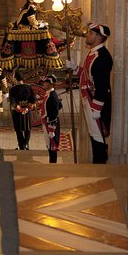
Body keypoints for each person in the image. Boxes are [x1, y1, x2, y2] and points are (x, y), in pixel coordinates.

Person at [68, 22, 113, 164]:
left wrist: (97, 107)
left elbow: (102, 85)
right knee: (93, 134)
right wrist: (75, 68)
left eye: (90, 33)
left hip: (95, 101)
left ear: (99, 37)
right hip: (89, 98)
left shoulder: (103, 57)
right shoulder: (93, 53)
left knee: (98, 136)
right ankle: (97, 163)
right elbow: (88, 75)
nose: (87, 35)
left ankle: (99, 165)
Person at [8, 71, 36, 150]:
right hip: (27, 111)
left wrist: (20, 108)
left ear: (15, 79)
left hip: (17, 112)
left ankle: (21, 145)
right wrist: (27, 108)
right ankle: (26, 143)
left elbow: (13, 102)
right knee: (28, 128)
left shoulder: (13, 89)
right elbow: (33, 99)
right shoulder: (29, 87)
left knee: (18, 130)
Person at [41, 76, 62, 163]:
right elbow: (60, 106)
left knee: (52, 145)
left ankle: (53, 164)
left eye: (46, 82)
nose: (44, 84)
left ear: (50, 84)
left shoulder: (52, 96)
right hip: (47, 121)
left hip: (50, 124)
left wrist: (51, 128)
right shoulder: (49, 94)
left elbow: (54, 113)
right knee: (49, 144)